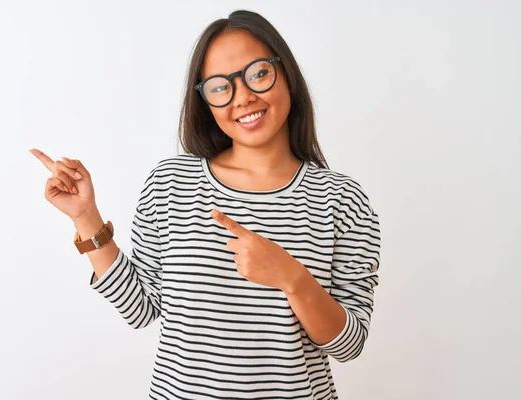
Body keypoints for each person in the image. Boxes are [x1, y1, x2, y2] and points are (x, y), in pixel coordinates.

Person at [31, 9, 380, 400]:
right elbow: (141, 308)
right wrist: (85, 217)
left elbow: (348, 345)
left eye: (259, 73)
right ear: (206, 101)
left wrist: (291, 278)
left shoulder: (342, 200)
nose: (243, 97)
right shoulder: (170, 184)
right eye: (219, 87)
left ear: (287, 75)